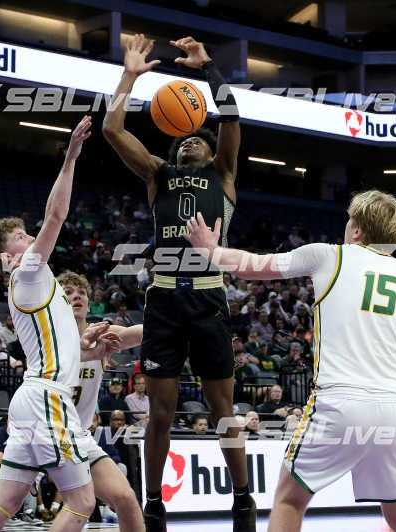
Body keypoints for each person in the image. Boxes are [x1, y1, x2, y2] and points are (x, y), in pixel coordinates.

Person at [185, 190, 396, 532]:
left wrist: (210, 250)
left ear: (356, 230)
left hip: (341, 401)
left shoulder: (330, 256)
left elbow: (254, 267)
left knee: (289, 500)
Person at [103, 33, 250, 532]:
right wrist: (130, 75)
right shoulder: (157, 174)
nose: (191, 141)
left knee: (222, 405)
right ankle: (154, 504)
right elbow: (112, 127)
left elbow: (229, 117)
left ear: (210, 154)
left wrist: (207, 69)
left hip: (209, 293)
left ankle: (243, 498)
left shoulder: (224, 173)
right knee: (161, 412)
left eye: (198, 140)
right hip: (164, 295)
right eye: (186, 138)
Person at [0, 116, 121, 532]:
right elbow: (55, 216)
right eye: (17, 236)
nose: (27, 236)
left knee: (7, 500)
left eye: (22, 231)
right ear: (6, 255)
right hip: (48, 398)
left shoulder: (35, 282)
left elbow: (57, 336)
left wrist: (82, 339)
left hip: (32, 398)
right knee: (81, 500)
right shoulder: (27, 272)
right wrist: (69, 158)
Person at [58, 271, 145, 531]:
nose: (77, 297)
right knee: (79, 505)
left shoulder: (101, 334)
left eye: (82, 293)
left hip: (78, 436)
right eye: (69, 292)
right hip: (45, 431)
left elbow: (135, 334)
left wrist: (173, 318)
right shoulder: (48, 336)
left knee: (126, 498)